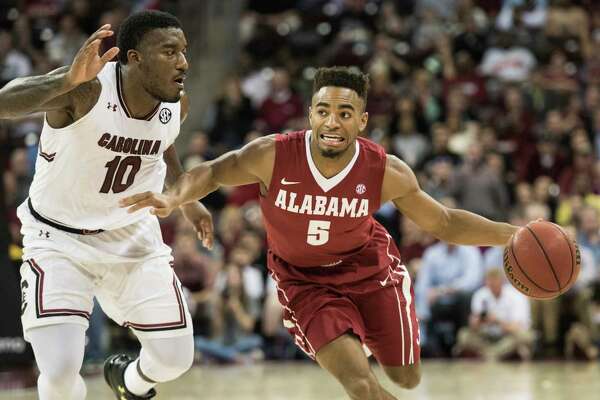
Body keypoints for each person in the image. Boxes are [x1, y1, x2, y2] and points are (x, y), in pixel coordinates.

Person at [121, 66, 519, 400]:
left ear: (362, 121)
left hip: (370, 269)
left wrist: (515, 235)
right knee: (361, 385)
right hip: (303, 281)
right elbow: (212, 171)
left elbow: (444, 222)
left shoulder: (386, 171)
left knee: (406, 378)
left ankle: (359, 329)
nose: (332, 122)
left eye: (345, 113)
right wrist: (174, 198)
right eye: (324, 111)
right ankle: (343, 334)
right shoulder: (272, 154)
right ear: (310, 113)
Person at [0, 11, 214, 400]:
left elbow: (162, 144)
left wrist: (187, 198)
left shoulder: (175, 104)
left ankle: (128, 384)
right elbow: (4, 103)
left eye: (184, 51)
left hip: (131, 238)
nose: (183, 62)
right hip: (58, 239)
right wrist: (63, 80)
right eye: (170, 51)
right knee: (61, 372)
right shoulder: (86, 90)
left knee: (174, 360)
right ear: (135, 59)